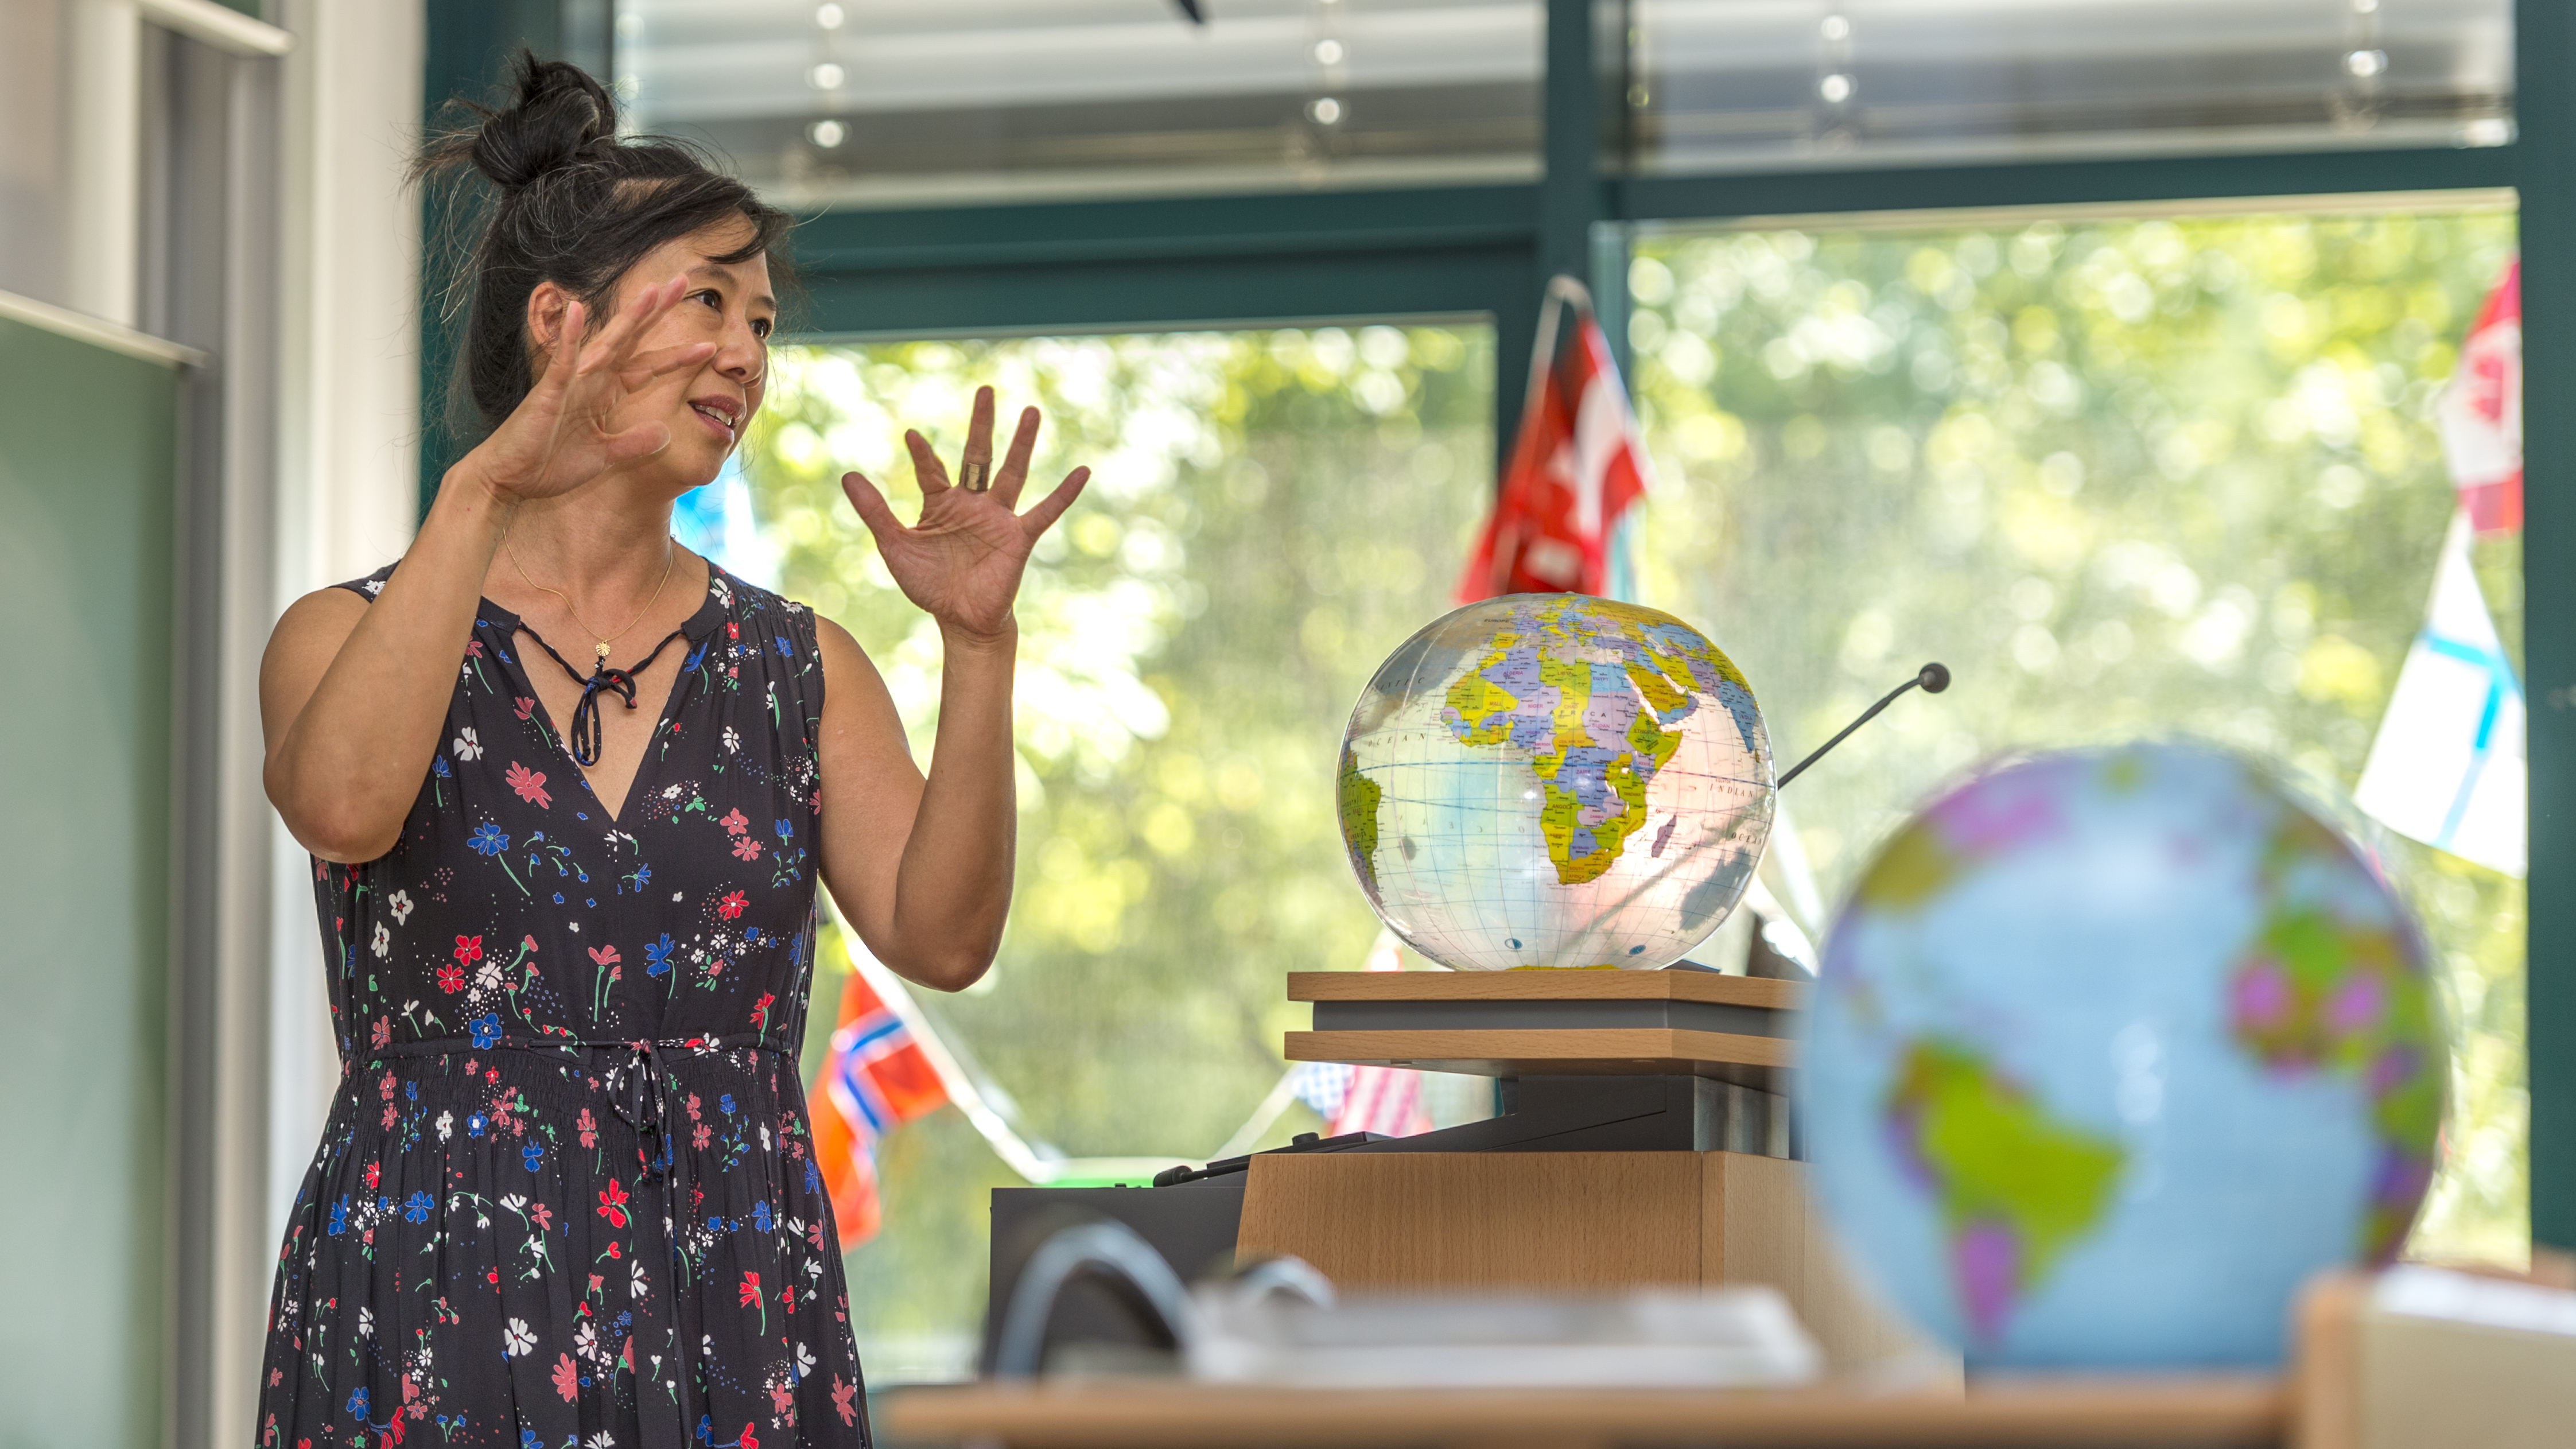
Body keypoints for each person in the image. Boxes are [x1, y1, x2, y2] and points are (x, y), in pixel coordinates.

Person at [254, 55, 1084, 1448]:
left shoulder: (797, 668)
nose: (746, 355)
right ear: (558, 321)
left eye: (761, 322)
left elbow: (944, 941)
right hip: (438, 1292)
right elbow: (343, 806)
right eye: (707, 300)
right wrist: (483, 489)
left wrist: (979, 649)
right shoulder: (340, 634)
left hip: (735, 1292)